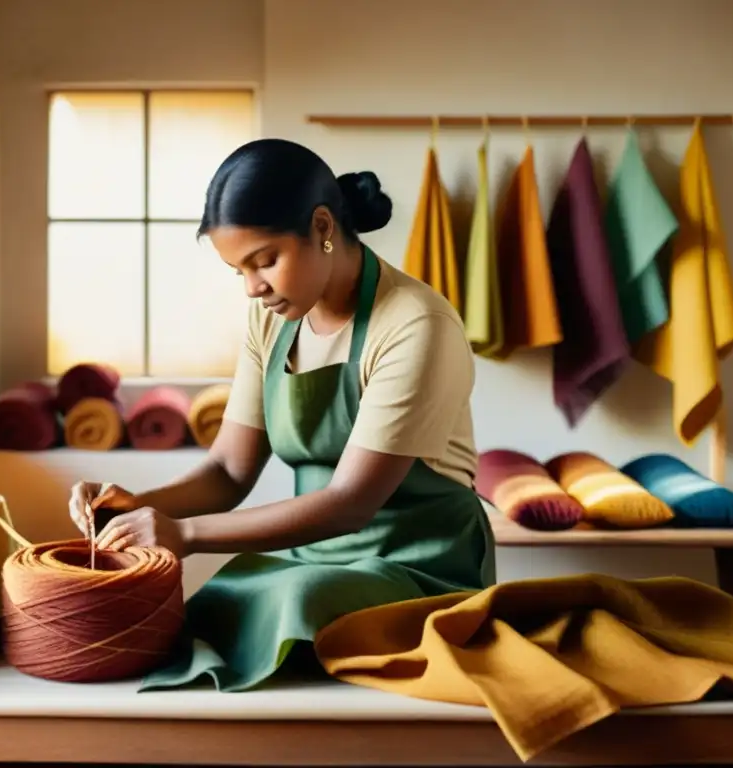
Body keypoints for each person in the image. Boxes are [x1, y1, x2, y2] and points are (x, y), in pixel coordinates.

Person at [68, 138, 496, 692]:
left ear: (322, 227)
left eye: (265, 261)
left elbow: (349, 505)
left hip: (421, 565)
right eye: (238, 271)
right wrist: (134, 507)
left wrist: (185, 533)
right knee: (228, 596)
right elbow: (227, 472)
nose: (253, 288)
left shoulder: (416, 326)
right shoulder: (272, 323)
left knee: (293, 598)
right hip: (316, 556)